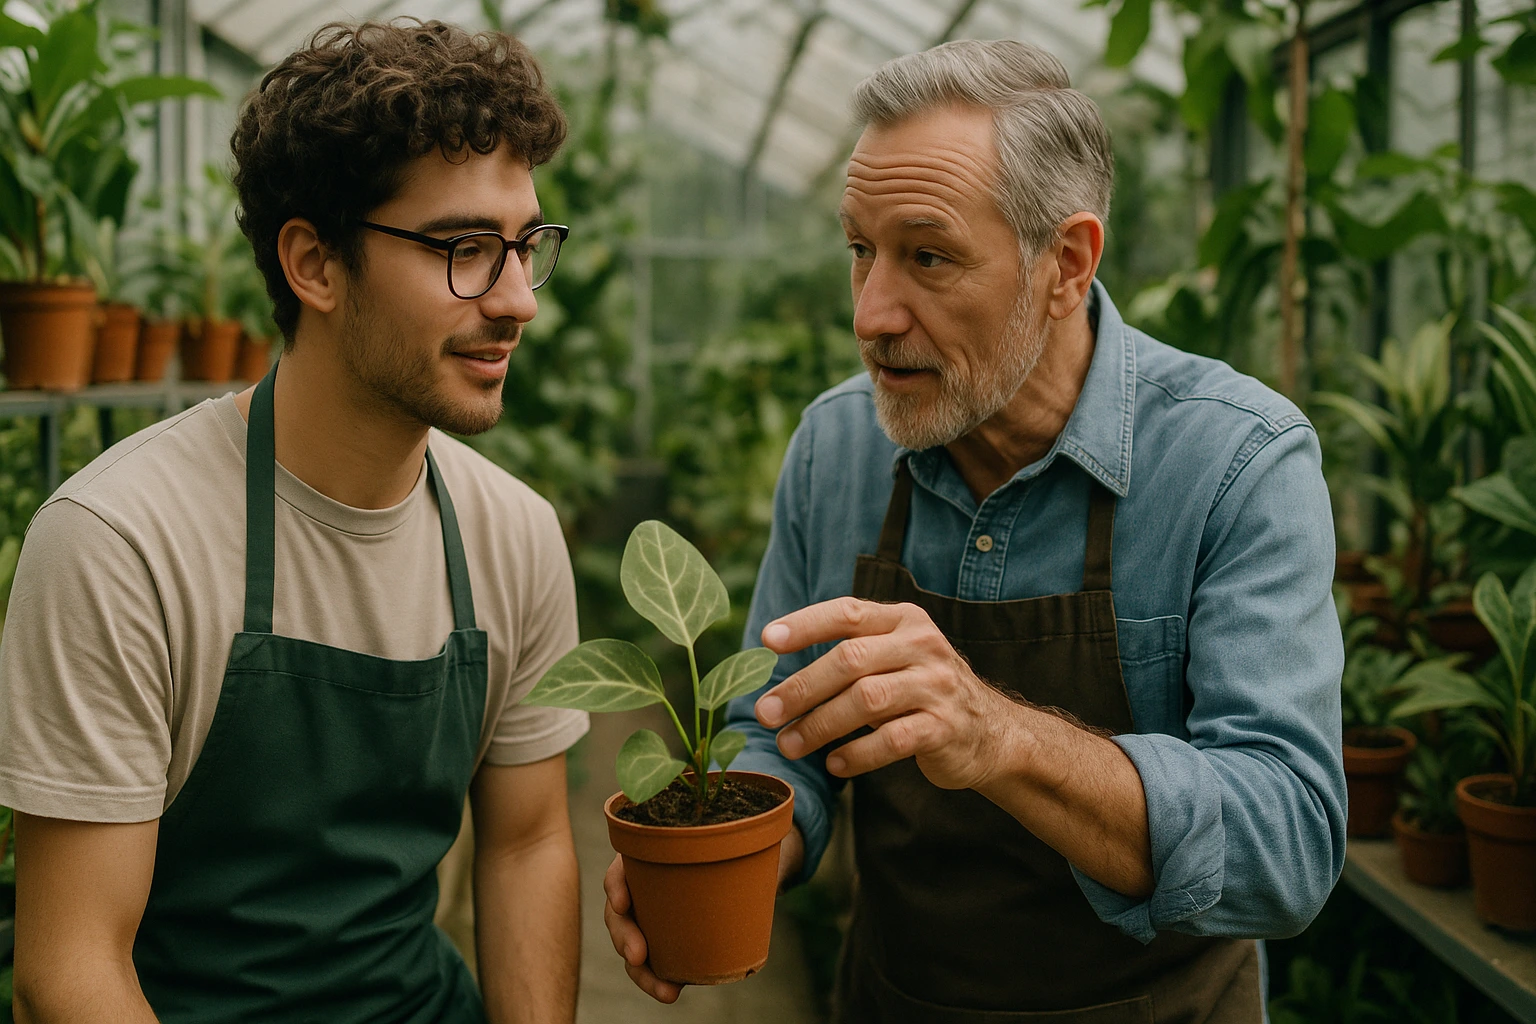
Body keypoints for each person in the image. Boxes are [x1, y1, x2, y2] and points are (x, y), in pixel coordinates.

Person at [604, 39, 1345, 1022]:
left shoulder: (1232, 462)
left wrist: (994, 733)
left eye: (928, 256)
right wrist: (722, 851)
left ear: (1066, 264)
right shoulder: (839, 445)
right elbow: (778, 730)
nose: (871, 314)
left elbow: (1287, 845)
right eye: (860, 251)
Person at [2, 21, 586, 1024]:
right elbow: (71, 964)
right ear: (314, 264)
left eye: (527, 245)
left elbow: (529, 842)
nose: (519, 299)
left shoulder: (514, 535)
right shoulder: (120, 541)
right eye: (465, 249)